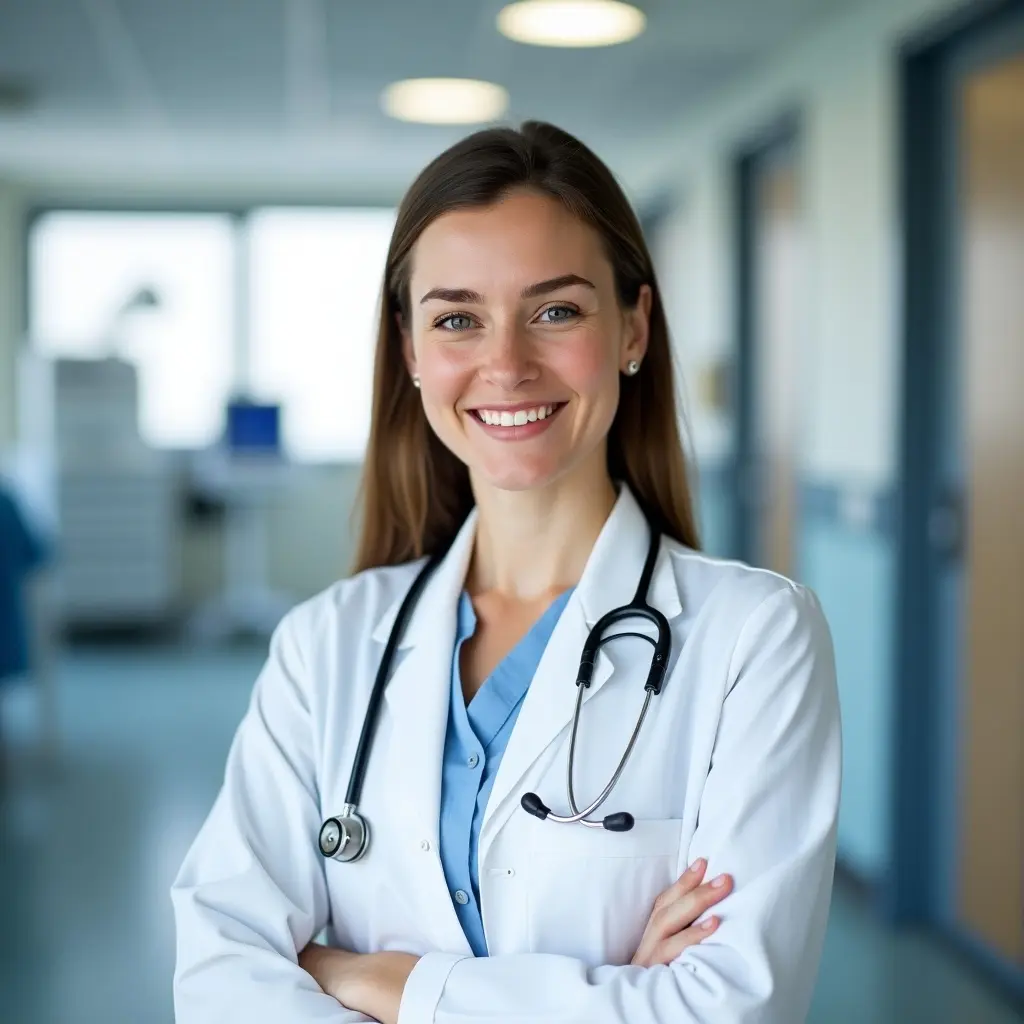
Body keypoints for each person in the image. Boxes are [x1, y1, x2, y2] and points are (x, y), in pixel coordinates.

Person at [171, 120, 841, 1024]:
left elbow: (725, 1010)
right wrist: (616, 994)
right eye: (456, 319)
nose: (507, 364)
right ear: (410, 351)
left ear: (634, 327)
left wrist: (378, 980)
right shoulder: (325, 644)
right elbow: (222, 975)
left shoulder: (755, 638)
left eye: (556, 310)